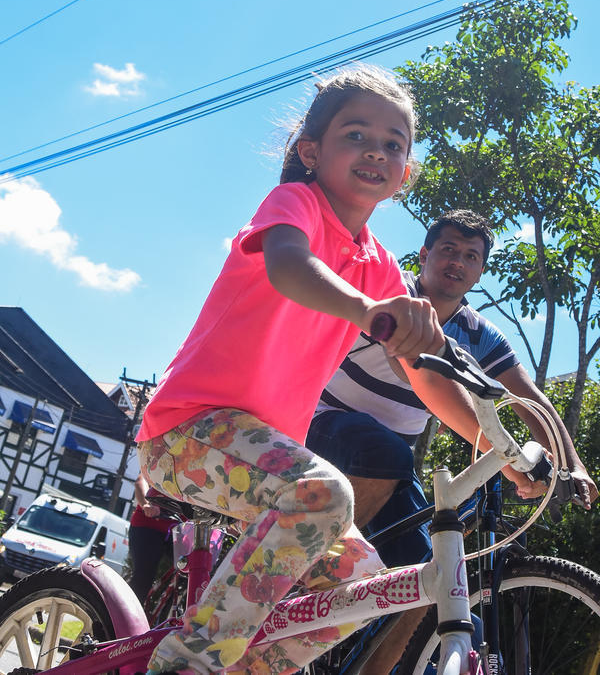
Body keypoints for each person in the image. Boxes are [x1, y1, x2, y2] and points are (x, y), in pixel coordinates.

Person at [135, 67, 525, 675]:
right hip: (189, 429)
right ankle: (188, 664)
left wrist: (497, 446)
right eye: (357, 135)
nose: (377, 151)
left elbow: (426, 375)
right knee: (324, 495)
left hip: (267, 457)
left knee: (365, 589)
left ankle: (241, 668)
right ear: (311, 152)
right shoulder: (297, 206)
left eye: (394, 144)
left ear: (406, 172)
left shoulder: (378, 268)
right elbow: (290, 267)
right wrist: (371, 312)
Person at [306, 208, 599, 675]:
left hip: (390, 467)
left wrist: (572, 464)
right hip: (323, 427)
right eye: (447, 250)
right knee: (384, 450)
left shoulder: (480, 334)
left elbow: (528, 398)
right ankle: (303, 570)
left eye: (470, 256)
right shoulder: (392, 292)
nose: (457, 262)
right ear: (423, 255)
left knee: (431, 581)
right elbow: (418, 368)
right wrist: (506, 457)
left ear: (480, 271)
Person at [128, 473, 175, 605]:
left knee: (193, 571)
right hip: (147, 525)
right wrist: (146, 504)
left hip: (177, 530)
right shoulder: (166, 459)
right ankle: (129, 617)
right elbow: (141, 481)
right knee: (143, 577)